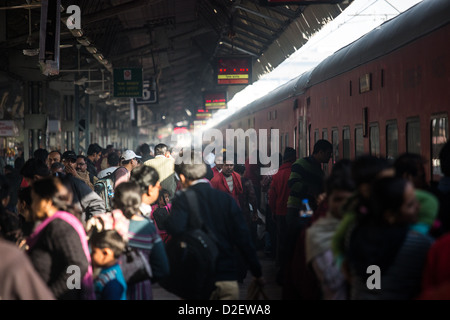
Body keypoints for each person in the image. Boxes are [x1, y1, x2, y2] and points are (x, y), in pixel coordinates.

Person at [163, 151, 264, 300]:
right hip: (226, 277)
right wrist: (257, 272)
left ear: (183, 177)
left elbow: (175, 228)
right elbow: (243, 238)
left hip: (198, 279)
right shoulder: (226, 200)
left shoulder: (182, 200)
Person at [344, 176, 433, 300]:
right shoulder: (418, 244)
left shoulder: (355, 233)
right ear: (390, 215)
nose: (418, 207)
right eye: (410, 205)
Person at [86, 181, 169, 300]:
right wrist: (142, 278)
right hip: (140, 292)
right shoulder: (148, 228)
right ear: (138, 202)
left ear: (115, 201)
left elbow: (88, 258)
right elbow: (162, 268)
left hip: (106, 290)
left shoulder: (102, 223)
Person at [26, 177, 95, 300]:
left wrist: (55, 294)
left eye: (35, 200)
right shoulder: (53, 224)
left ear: (47, 202)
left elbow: (78, 264)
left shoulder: (59, 226)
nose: (32, 206)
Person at [304, 162, 355, 300]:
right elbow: (333, 280)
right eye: (337, 199)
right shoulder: (317, 233)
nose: (342, 205)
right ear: (327, 200)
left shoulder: (370, 228)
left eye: (348, 199)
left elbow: (374, 284)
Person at [269, 147, 296, 266]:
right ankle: (293, 264)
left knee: (281, 239)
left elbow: (272, 196)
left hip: (280, 211)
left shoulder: (277, 174)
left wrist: (273, 211)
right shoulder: (296, 173)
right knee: (294, 239)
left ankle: (281, 264)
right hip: (295, 210)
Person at [90, 230, 127, 300]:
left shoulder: (113, 283)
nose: (91, 255)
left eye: (93, 251)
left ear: (105, 253)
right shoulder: (111, 271)